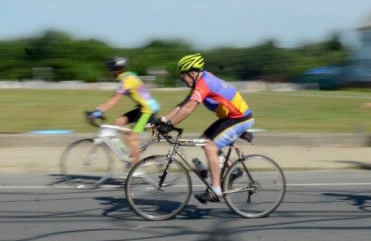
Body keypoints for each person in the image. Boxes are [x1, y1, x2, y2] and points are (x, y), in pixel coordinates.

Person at [156, 53, 254, 203]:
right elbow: (183, 104)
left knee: (209, 146)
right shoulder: (199, 81)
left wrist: (169, 126)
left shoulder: (204, 83)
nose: (182, 79)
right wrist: (163, 120)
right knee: (204, 141)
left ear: (192, 73)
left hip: (240, 118)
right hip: (230, 117)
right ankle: (232, 169)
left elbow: (189, 108)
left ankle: (216, 191)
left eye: (183, 76)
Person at [88, 57, 160, 165]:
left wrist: (98, 112)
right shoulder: (127, 77)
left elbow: (115, 99)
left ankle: (135, 169)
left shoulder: (127, 80)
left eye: (110, 69)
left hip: (148, 111)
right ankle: (130, 151)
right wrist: (99, 109)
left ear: (117, 69)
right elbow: (113, 97)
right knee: (119, 122)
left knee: (131, 138)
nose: (109, 72)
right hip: (142, 109)